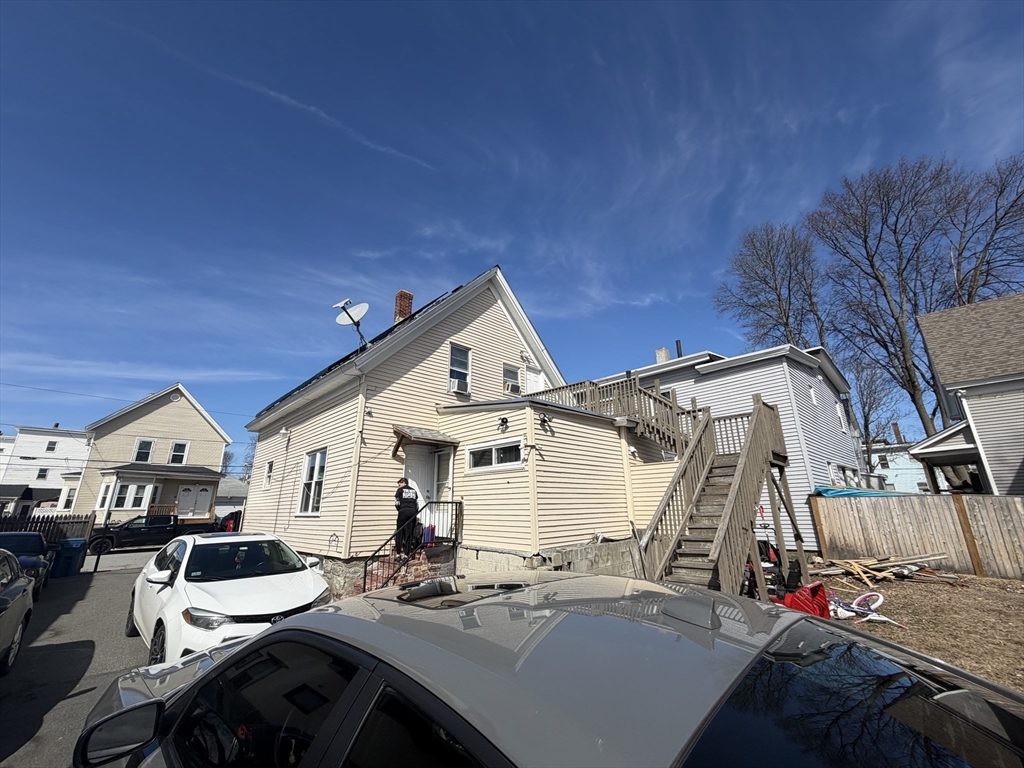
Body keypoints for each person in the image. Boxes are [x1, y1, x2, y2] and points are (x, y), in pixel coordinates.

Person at [394, 478, 420, 556]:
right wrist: (414, 512)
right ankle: (406, 554)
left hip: (403, 511)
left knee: (399, 532)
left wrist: (400, 510)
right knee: (409, 533)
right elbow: (417, 504)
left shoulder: (400, 490)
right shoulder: (414, 491)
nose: (399, 486)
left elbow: (397, 503)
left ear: (404, 483)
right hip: (412, 512)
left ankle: (398, 553)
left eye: (399, 484)